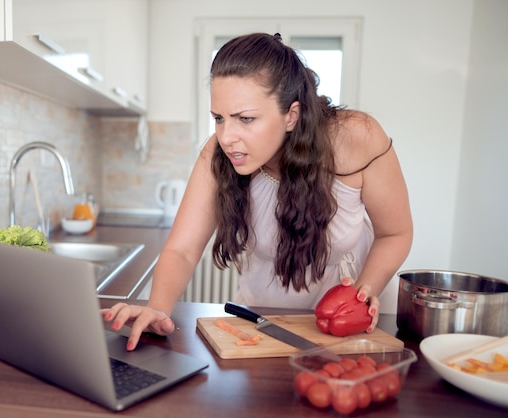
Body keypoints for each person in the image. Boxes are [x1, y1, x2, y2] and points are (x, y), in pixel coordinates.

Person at [102, 32, 413, 351]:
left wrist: (362, 295)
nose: (226, 137)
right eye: (218, 119)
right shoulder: (218, 154)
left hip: (348, 326)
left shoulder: (356, 138)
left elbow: (395, 233)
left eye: (246, 119)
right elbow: (182, 249)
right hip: (261, 321)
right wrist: (157, 308)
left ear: (291, 115)